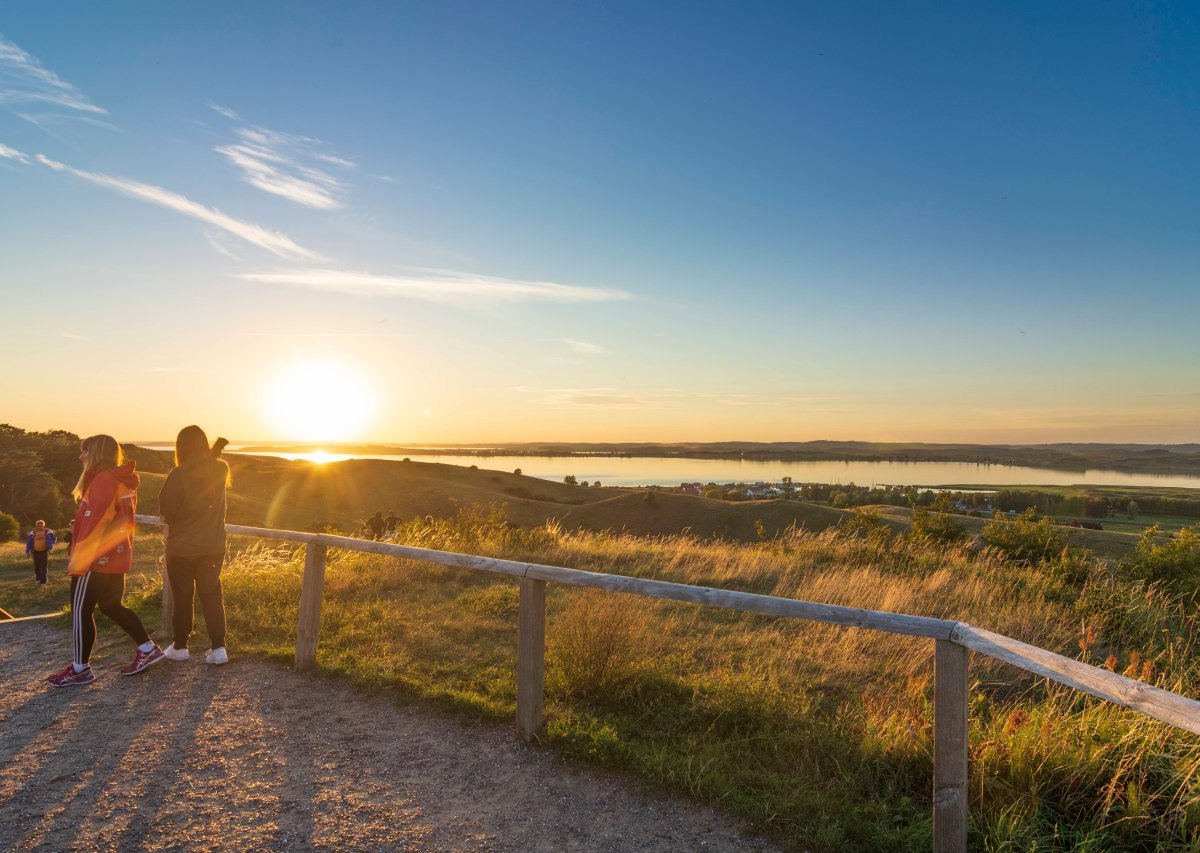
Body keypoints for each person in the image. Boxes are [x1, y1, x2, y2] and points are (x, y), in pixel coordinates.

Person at [47, 435, 164, 687]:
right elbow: (114, 518)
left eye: (84, 451)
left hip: (94, 559)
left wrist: (80, 559)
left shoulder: (102, 480)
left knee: (80, 611)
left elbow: (96, 522)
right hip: (116, 554)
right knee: (111, 605)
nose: (81, 457)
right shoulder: (121, 480)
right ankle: (147, 648)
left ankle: (80, 669)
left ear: (96, 453)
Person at [159, 425, 231, 666]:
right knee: (211, 594)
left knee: (183, 596)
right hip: (213, 545)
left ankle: (180, 646)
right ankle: (219, 647)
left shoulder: (179, 474)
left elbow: (167, 511)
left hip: (182, 547)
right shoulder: (221, 469)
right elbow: (206, 474)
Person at [25, 520, 56, 585]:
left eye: (41, 525)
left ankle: (43, 582)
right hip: (35, 552)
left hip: (44, 552)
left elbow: (54, 538)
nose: (40, 527)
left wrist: (50, 545)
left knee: (43, 567)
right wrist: (28, 552)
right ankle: (38, 580)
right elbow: (28, 543)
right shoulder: (32, 533)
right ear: (36, 526)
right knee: (37, 567)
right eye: (38, 525)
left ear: (43, 526)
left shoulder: (48, 532)